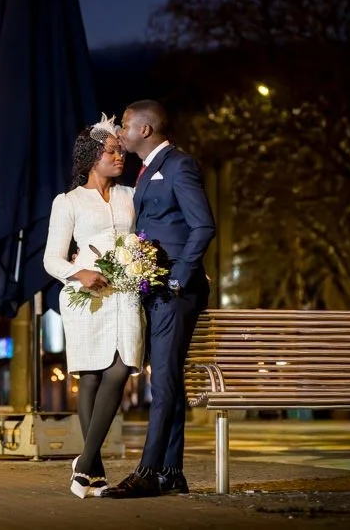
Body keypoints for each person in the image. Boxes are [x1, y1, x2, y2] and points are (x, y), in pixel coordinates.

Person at [103, 99, 216, 499]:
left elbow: (203, 226)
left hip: (174, 291)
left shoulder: (178, 165)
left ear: (146, 130)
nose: (122, 131)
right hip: (158, 287)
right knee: (166, 379)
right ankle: (171, 472)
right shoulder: (149, 170)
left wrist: (179, 279)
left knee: (165, 381)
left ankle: (149, 471)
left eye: (127, 126)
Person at [43, 114, 145, 499]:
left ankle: (83, 461)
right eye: (112, 152)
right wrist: (78, 272)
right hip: (86, 298)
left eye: (120, 152)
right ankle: (94, 472)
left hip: (127, 292)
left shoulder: (130, 196)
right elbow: (51, 259)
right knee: (90, 375)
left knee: (120, 370)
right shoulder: (68, 202)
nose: (120, 158)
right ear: (91, 157)